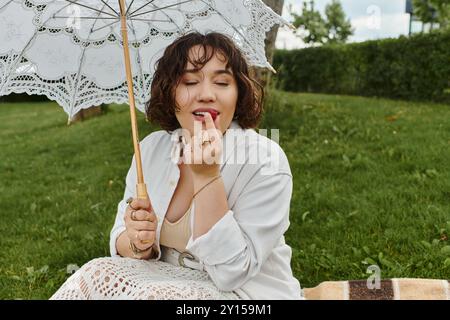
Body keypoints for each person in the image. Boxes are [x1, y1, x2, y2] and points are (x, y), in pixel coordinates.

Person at [50, 32, 302, 300]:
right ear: (169, 93)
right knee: (94, 273)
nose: (206, 94)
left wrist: (206, 178)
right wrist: (138, 242)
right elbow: (121, 237)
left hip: (245, 294)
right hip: (164, 279)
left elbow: (232, 272)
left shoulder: (265, 160)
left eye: (222, 82)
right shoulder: (150, 149)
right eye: (190, 81)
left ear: (238, 93)